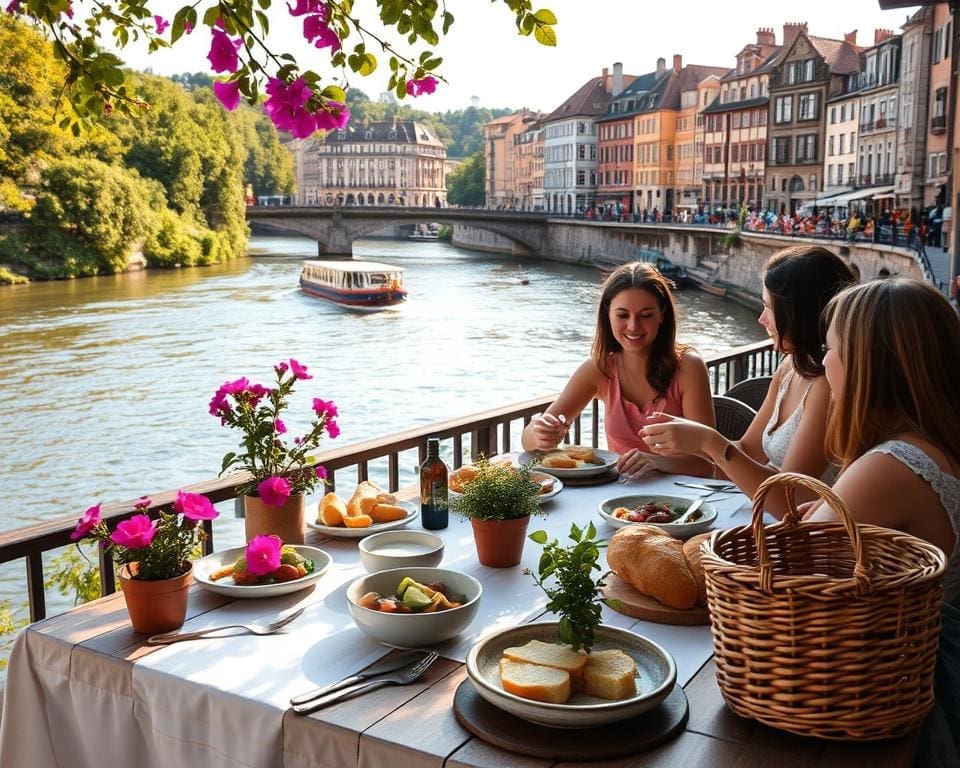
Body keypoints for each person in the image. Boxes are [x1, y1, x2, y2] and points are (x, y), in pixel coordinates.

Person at [805, 278, 960, 766]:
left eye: (830, 349)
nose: (824, 362)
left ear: (867, 364)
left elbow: (783, 572)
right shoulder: (935, 444)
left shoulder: (891, 465)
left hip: (887, 699)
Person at [638, 246, 856, 517]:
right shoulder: (789, 367)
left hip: (809, 540)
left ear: (800, 313)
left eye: (768, 307)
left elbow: (788, 499)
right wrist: (662, 461)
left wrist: (709, 440)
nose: (761, 318)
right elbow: (745, 451)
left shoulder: (826, 387)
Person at [520, 261, 715, 478]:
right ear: (608, 314)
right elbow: (529, 442)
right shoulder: (599, 368)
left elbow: (709, 464)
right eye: (623, 315)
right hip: (619, 501)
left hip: (685, 498)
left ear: (662, 315)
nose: (633, 326)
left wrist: (655, 462)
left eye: (646, 315)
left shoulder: (688, 366)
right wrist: (538, 432)